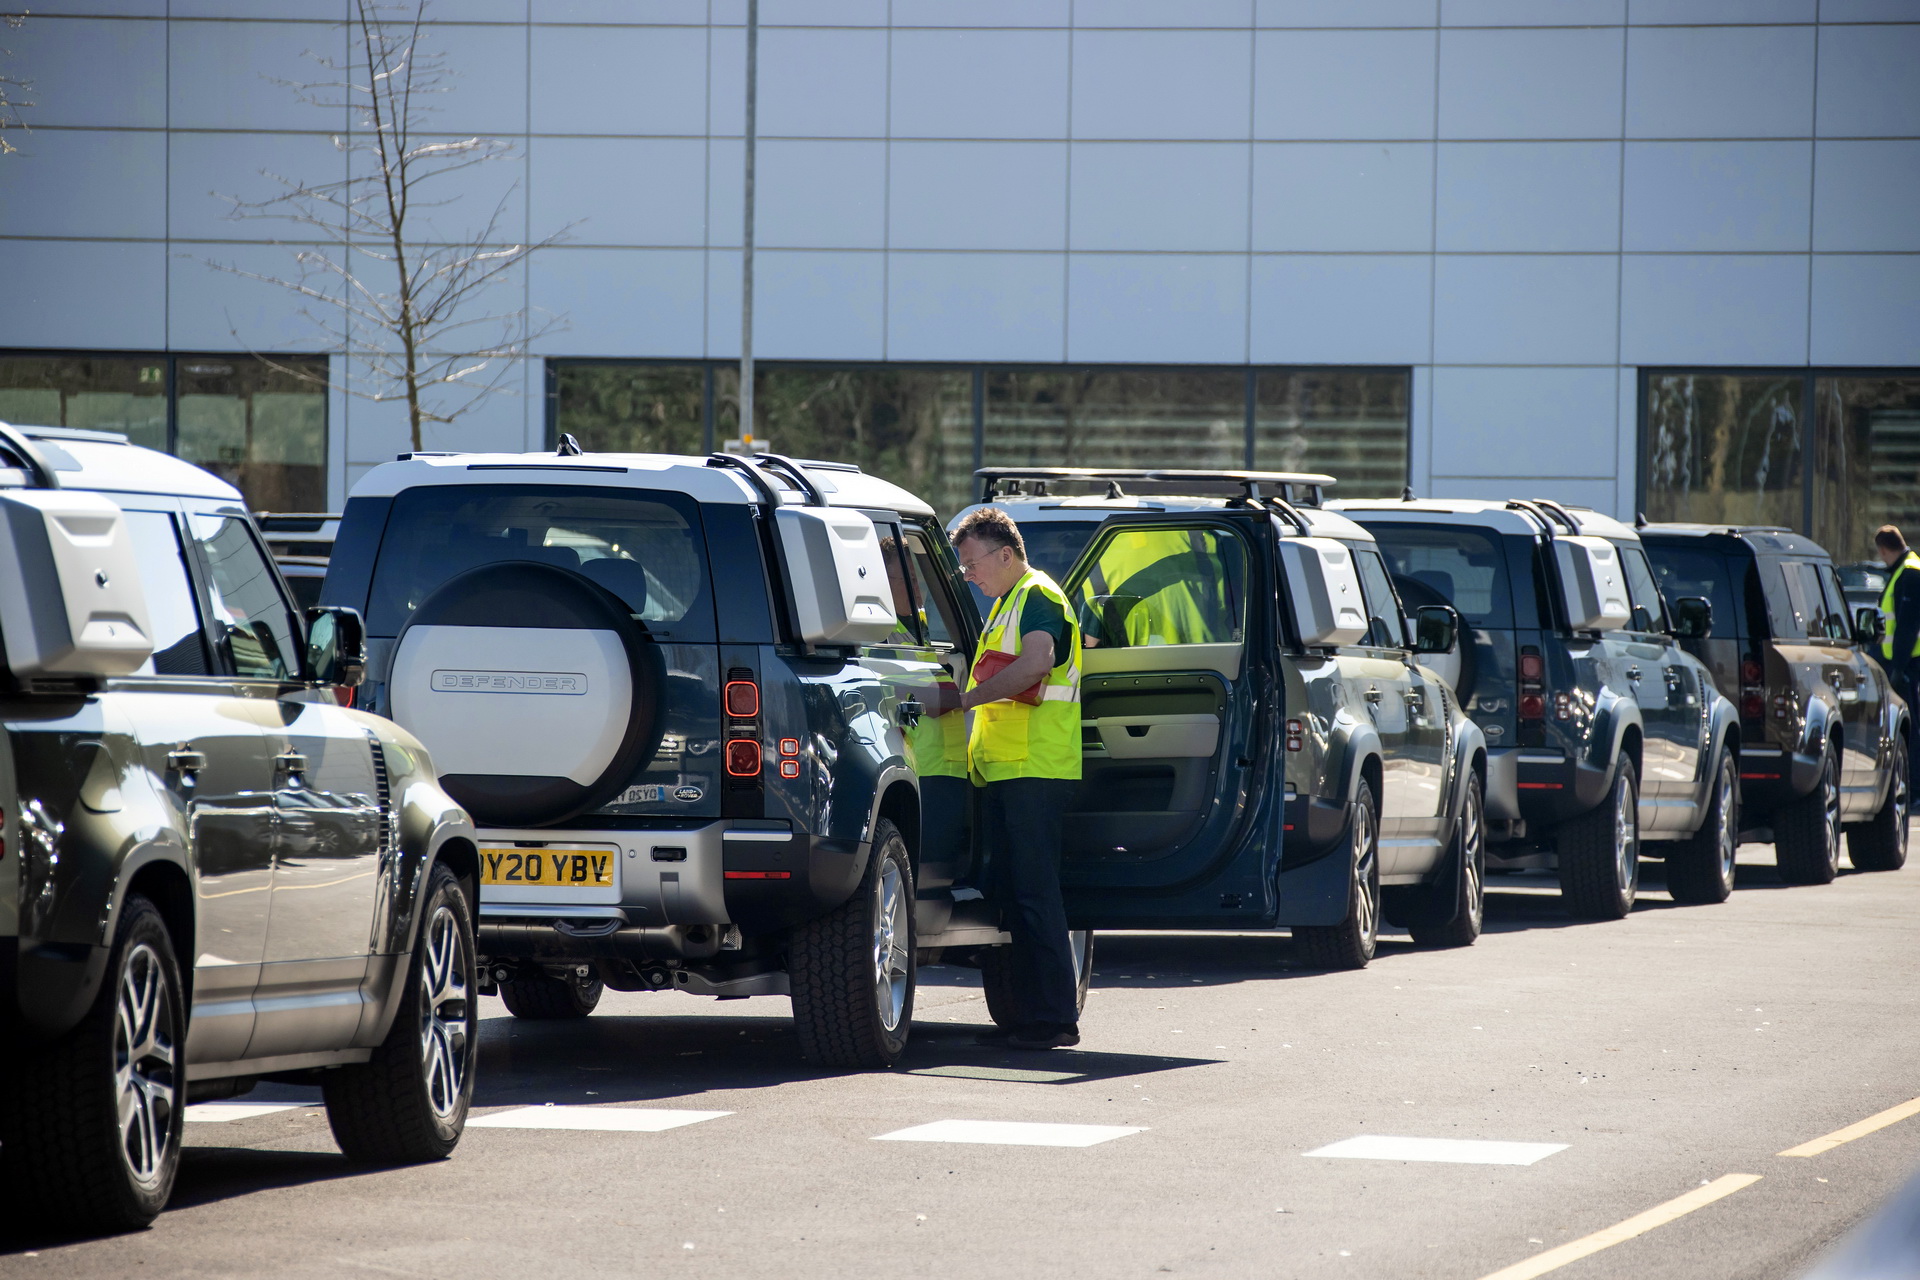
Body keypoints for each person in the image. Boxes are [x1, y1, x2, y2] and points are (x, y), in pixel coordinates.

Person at [952, 507, 1083, 1051]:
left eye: (971, 563)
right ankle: (1032, 1017)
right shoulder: (1009, 601)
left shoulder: (1037, 595)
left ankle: (1053, 1019)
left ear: (1005, 554)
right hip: (1010, 769)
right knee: (1020, 896)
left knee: (1035, 896)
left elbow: (1035, 666)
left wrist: (962, 701)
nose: (967, 574)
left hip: (1035, 768)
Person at [1874, 526, 1920, 785]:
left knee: (1910, 728)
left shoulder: (1910, 574)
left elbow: (1907, 626)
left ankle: (1913, 788)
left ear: (1883, 549)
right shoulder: (1907, 570)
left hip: (1908, 665)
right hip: (1907, 662)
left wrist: (1898, 668)